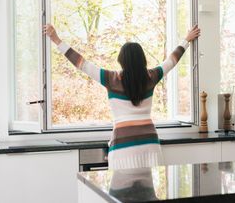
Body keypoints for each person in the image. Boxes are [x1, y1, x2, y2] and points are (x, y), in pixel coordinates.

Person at [44, 24, 200, 169]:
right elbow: (172, 60)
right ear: (142, 59)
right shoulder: (151, 76)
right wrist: (186, 40)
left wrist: (56, 40)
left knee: (121, 196)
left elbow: (81, 63)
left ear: (121, 60)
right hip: (150, 144)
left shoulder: (110, 79)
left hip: (123, 147)